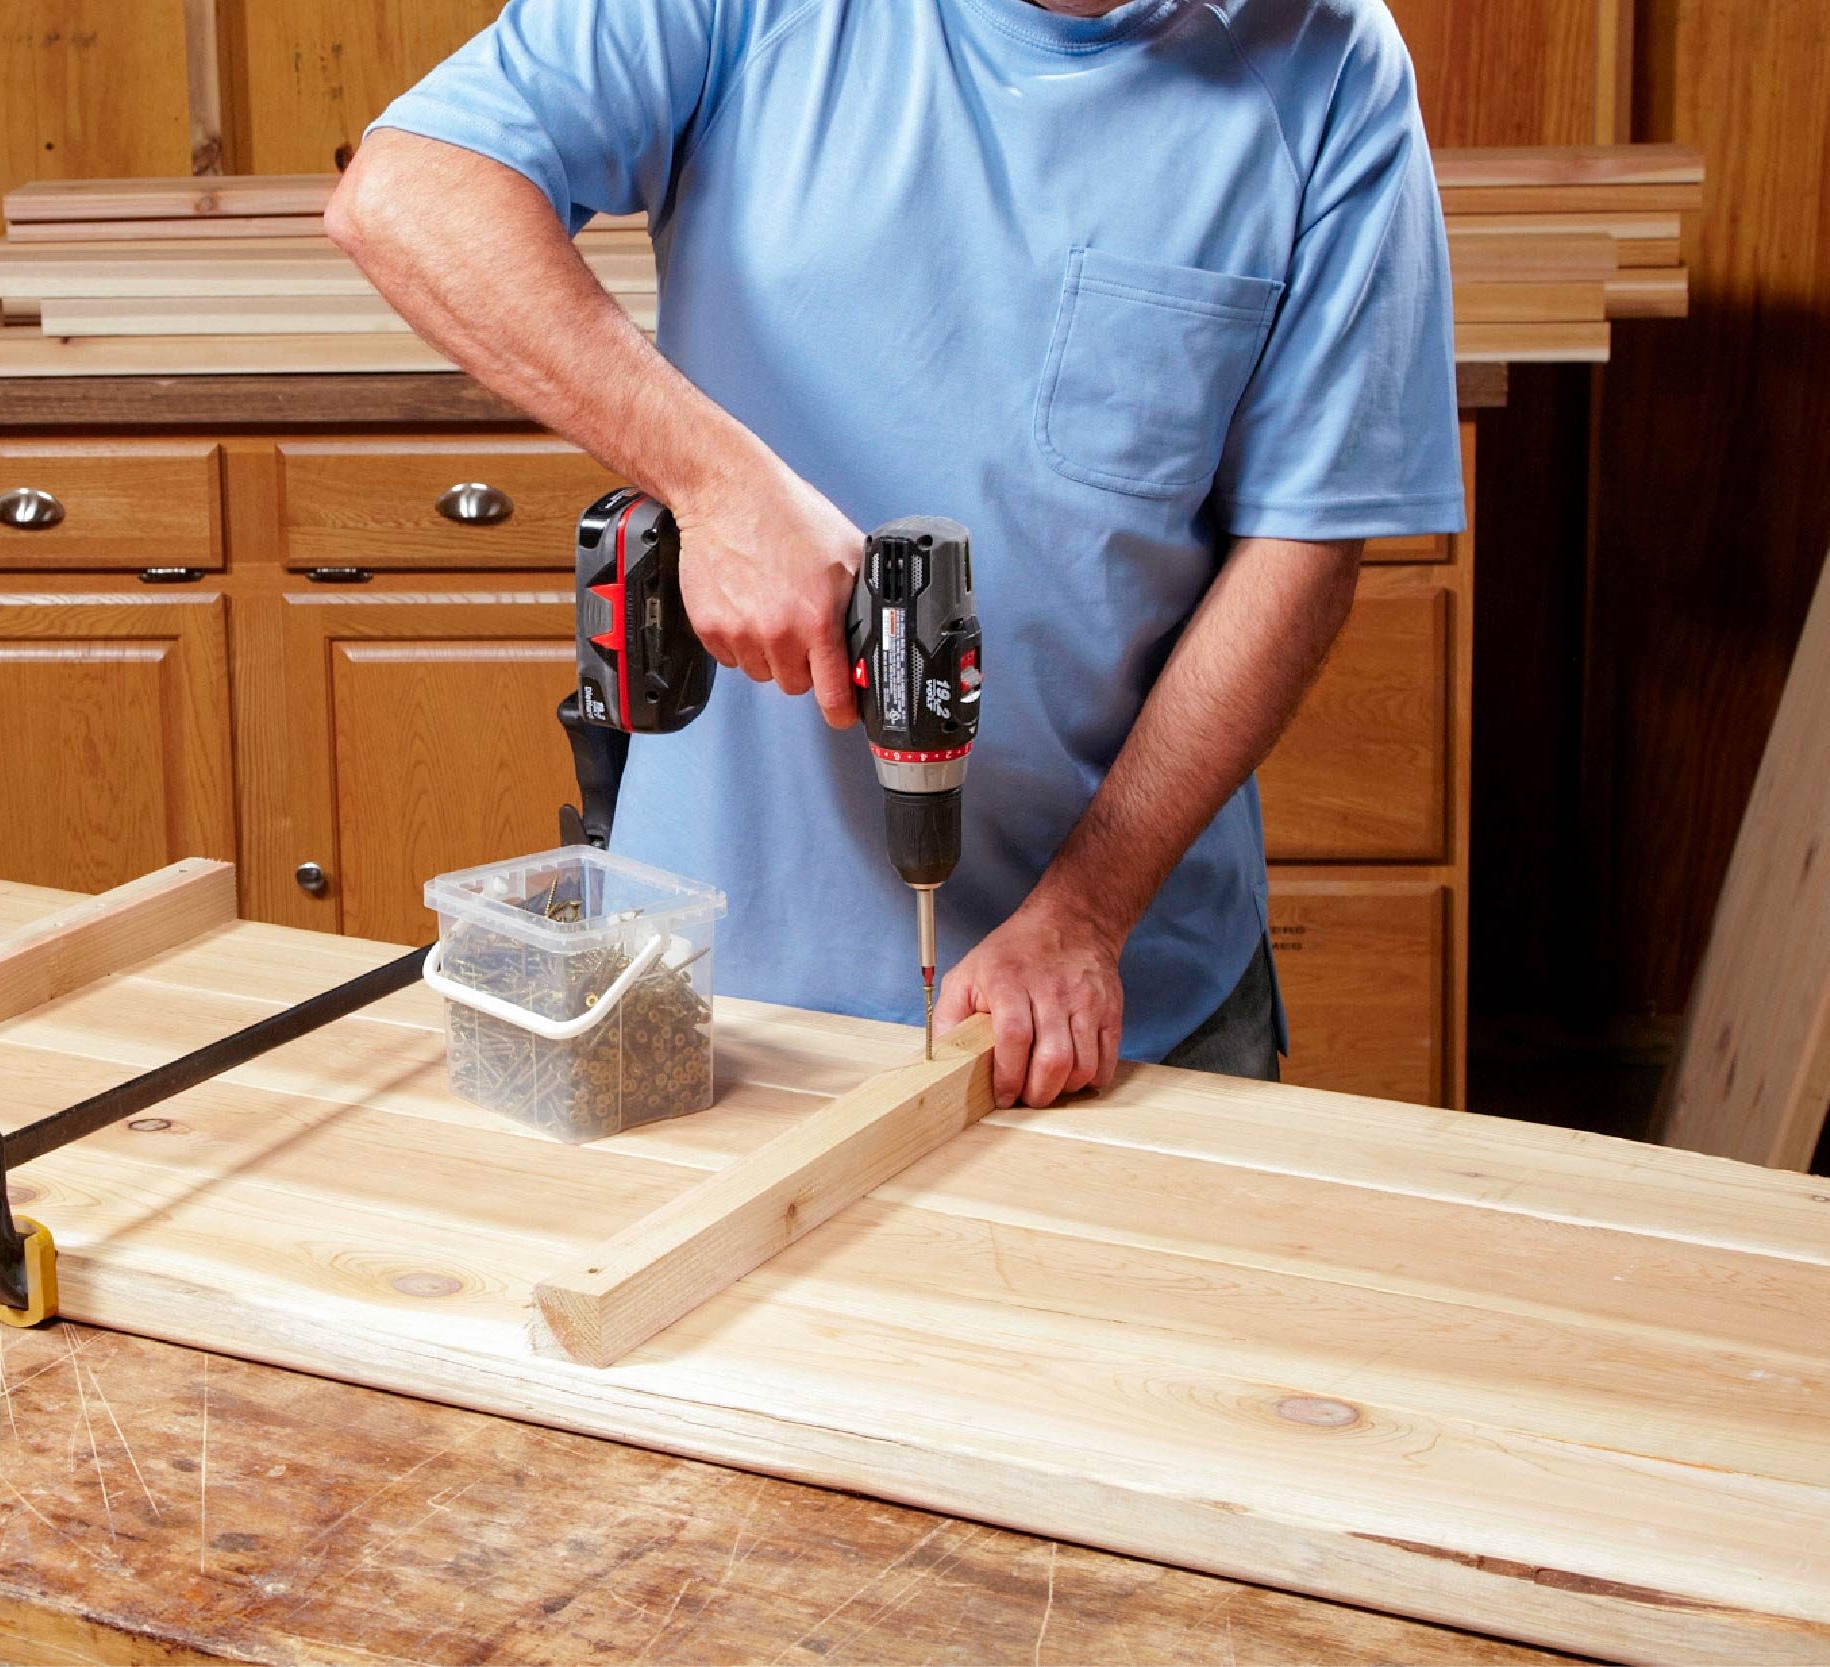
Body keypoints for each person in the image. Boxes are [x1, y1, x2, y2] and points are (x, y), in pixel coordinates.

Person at [330, 0, 1462, 1110]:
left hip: (1118, 996)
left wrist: (1086, 913)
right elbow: (409, 193)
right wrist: (718, 485)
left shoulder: (1325, 55)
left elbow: (1302, 542)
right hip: (721, 994)